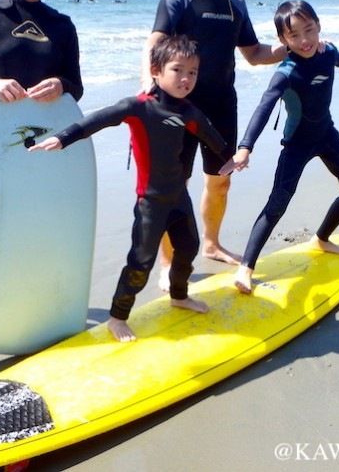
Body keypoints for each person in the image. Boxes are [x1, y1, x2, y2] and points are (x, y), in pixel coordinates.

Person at [30, 35, 231, 342]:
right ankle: (117, 317)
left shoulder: (188, 111)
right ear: (156, 70)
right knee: (141, 261)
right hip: (151, 203)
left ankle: (179, 296)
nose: (186, 78)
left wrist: (229, 159)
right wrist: (64, 137)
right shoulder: (138, 108)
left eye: (193, 72)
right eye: (178, 70)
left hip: (179, 197)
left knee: (188, 247)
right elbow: (98, 120)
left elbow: (210, 135)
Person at [219, 0, 339, 294]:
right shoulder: (286, 72)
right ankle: (246, 267)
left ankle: (321, 238)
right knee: (277, 204)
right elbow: (264, 107)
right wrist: (245, 147)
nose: (305, 40)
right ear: (283, 41)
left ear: (319, 26)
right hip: (296, 144)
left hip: (327, 135)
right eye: (295, 35)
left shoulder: (327, 51)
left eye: (309, 30)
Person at [142, 0, 288, 286]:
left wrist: (289, 48)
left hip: (222, 105)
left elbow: (253, 53)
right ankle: (168, 263)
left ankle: (211, 243)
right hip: (177, 108)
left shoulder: (235, 3)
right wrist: (149, 92)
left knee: (219, 181)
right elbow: (155, 45)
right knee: (173, 184)